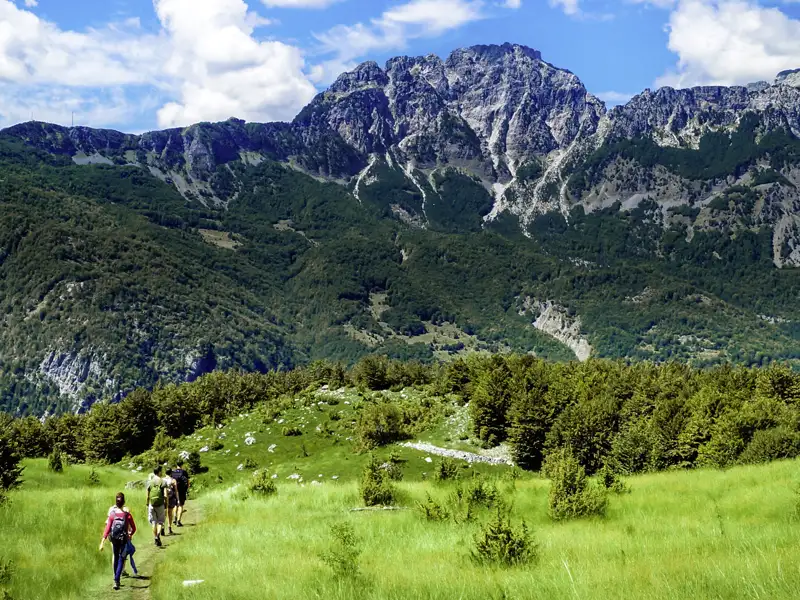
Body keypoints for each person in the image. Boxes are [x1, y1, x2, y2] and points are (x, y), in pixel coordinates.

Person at [100, 492, 136, 591]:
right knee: (121, 558)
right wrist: (130, 534)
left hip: (114, 538)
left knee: (115, 556)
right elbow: (134, 528)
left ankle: (115, 579)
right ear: (124, 501)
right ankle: (117, 579)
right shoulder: (127, 514)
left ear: (116, 502)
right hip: (123, 539)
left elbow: (107, 529)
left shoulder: (112, 514)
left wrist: (102, 542)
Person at [146, 465, 167, 546]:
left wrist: (147, 503)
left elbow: (147, 496)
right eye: (161, 471)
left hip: (152, 504)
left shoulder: (149, 482)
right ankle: (158, 535)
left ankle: (155, 537)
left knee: (153, 522)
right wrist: (166, 503)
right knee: (160, 521)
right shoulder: (162, 481)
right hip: (160, 504)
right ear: (159, 472)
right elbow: (165, 495)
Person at [172, 460, 190, 527]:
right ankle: (178, 521)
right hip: (182, 491)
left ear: (176, 464)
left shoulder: (173, 472)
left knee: (175, 505)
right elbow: (188, 481)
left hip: (174, 490)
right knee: (181, 505)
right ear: (182, 465)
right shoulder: (184, 472)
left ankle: (174, 517)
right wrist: (187, 489)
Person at [163, 468, 179, 535]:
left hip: (163, 498)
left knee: (163, 514)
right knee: (170, 513)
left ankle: (162, 527)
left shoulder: (162, 480)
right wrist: (177, 499)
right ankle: (169, 527)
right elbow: (176, 490)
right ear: (171, 473)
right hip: (171, 497)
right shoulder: (173, 480)